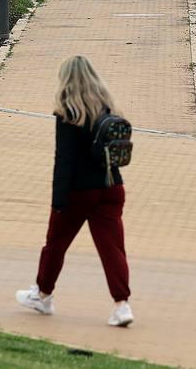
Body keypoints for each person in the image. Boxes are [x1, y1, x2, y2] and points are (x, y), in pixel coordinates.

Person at [16, 56, 133, 328]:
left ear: (66, 79)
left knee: (55, 244)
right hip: (112, 187)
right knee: (113, 249)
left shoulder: (69, 112)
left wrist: (58, 201)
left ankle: (43, 295)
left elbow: (64, 159)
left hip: (79, 192)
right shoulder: (108, 107)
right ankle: (122, 305)